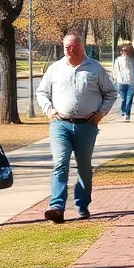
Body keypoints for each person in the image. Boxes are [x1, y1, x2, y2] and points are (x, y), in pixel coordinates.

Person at [36, 31, 117, 223]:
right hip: (60, 125)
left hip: (86, 126)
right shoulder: (55, 69)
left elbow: (111, 93)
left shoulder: (94, 68)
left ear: (82, 47)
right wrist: (48, 110)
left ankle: (82, 204)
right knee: (60, 163)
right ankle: (56, 206)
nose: (69, 50)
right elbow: (42, 92)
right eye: (66, 47)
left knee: (83, 166)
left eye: (73, 47)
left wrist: (100, 114)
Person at [111, 42, 134, 121]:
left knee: (129, 99)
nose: (125, 52)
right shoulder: (118, 60)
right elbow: (115, 70)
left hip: (130, 82)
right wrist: (115, 80)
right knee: (123, 99)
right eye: (123, 51)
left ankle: (127, 114)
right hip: (121, 82)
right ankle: (123, 110)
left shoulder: (132, 60)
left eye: (126, 51)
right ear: (121, 52)